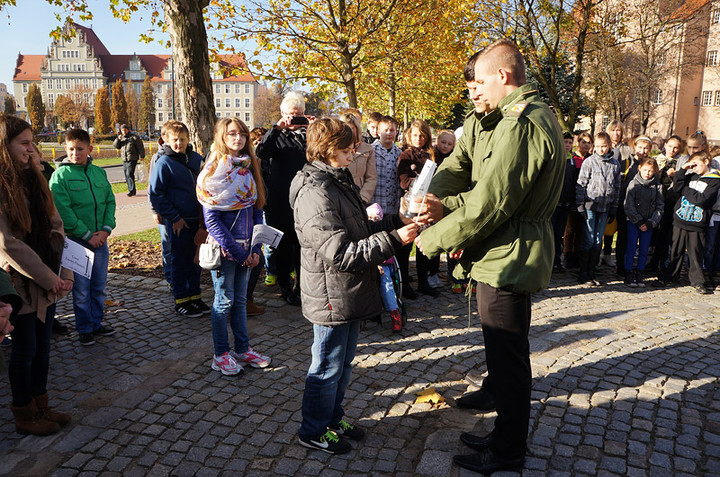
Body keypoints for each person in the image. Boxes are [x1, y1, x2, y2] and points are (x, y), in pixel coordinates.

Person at [416, 40, 565, 474]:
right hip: (502, 251)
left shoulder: (521, 123)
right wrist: (436, 200)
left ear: (502, 76)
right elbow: (466, 172)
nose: (474, 91)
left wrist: (431, 241)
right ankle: (503, 436)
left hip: (510, 253)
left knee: (509, 359)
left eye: (479, 82)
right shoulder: (513, 117)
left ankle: (507, 451)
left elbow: (492, 202)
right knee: (504, 355)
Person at [290, 118, 418, 454]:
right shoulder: (314, 193)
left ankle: (332, 418)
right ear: (329, 150)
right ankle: (313, 429)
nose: (354, 154)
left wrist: (394, 222)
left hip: (347, 290)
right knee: (327, 366)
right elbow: (340, 252)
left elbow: (359, 223)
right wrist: (394, 240)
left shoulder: (337, 179)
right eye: (348, 149)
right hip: (330, 293)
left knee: (342, 364)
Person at [0, 115, 74, 435]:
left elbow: (56, 225)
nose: (32, 150)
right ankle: (24, 414)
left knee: (43, 349)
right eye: (25, 144)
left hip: (48, 280)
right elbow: (7, 244)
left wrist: (66, 271)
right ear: (5, 147)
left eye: (33, 143)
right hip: (22, 283)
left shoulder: (37, 177)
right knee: (25, 350)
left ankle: (41, 405)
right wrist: (49, 277)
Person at [197, 117, 271, 375]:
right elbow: (212, 221)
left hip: (247, 249)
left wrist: (256, 248)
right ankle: (220, 354)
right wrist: (240, 253)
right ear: (221, 137)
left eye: (241, 134)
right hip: (225, 250)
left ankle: (242, 348)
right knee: (223, 302)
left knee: (240, 301)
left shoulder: (249, 168)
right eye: (231, 134)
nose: (237, 138)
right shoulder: (212, 173)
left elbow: (257, 209)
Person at [50, 128, 117, 346]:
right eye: (70, 149)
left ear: (89, 148)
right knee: (81, 290)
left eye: (80, 149)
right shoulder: (60, 176)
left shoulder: (99, 173)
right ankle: (85, 328)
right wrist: (88, 235)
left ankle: (96, 323)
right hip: (77, 243)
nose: (75, 153)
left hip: (101, 240)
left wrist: (106, 230)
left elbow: (109, 201)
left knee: (99, 287)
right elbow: (64, 212)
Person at [256, 91, 314, 306]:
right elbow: (262, 151)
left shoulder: (309, 135)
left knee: (303, 246)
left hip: (304, 200)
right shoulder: (276, 135)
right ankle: (285, 287)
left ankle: (302, 285)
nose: (295, 120)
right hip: (280, 201)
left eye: (299, 115)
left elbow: (323, 152)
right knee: (282, 246)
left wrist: (314, 128)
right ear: (282, 114)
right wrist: (278, 127)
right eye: (291, 115)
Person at [149, 120, 210, 317]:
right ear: (165, 140)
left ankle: (195, 296)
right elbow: (157, 194)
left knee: (195, 260)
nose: (179, 144)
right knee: (179, 261)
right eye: (175, 140)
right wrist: (174, 217)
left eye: (182, 139)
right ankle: (181, 299)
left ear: (188, 139)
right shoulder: (164, 163)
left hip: (197, 220)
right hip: (178, 222)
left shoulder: (194, 158)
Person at [661, 151, 720, 294]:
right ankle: (670, 276)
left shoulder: (714, 180)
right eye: (691, 165)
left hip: (697, 224)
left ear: (706, 162)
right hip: (681, 220)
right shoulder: (691, 176)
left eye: (696, 165)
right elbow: (676, 187)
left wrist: (685, 190)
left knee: (695, 254)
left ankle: (698, 281)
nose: (694, 168)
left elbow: (702, 200)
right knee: (675, 251)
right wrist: (683, 169)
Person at [397, 119, 439, 297]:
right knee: (406, 244)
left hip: (427, 203)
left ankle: (423, 282)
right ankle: (405, 283)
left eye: (422, 135)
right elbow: (404, 181)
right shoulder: (405, 155)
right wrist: (422, 179)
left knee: (425, 244)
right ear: (409, 136)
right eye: (415, 135)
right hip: (411, 204)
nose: (418, 139)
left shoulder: (431, 155)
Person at [576, 132, 622, 285]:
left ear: (609, 146)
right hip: (590, 205)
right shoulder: (589, 162)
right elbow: (581, 184)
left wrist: (614, 208)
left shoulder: (615, 164)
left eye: (603, 146)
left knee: (597, 240)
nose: (601, 149)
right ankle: (583, 272)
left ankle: (592, 270)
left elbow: (617, 187)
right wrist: (580, 204)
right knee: (588, 239)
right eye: (597, 146)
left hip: (605, 207)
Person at [613, 135, 651, 276]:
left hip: (643, 208)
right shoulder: (627, 162)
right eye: (640, 147)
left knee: (637, 239)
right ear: (634, 147)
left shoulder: (650, 164)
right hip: (625, 205)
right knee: (623, 237)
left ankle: (635, 266)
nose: (643, 150)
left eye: (646, 148)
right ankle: (621, 266)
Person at [623, 157, 663, 287]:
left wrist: (652, 222)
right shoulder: (633, 184)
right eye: (645, 170)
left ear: (655, 171)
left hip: (649, 223)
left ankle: (640, 273)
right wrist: (638, 221)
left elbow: (660, 206)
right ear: (640, 168)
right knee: (631, 248)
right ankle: (628, 273)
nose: (647, 173)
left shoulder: (657, 186)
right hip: (634, 222)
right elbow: (628, 205)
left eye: (650, 171)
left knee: (644, 249)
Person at [650, 135, 686, 272]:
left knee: (665, 233)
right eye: (670, 146)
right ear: (665, 145)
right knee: (654, 231)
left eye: (676, 147)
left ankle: (662, 261)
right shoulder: (657, 159)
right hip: (655, 199)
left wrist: (675, 176)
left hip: (670, 200)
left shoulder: (680, 162)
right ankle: (652, 260)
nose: (672, 149)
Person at [564, 131, 593, 269]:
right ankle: (568, 255)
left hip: (586, 199)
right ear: (578, 143)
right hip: (572, 197)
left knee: (581, 228)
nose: (586, 145)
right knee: (570, 229)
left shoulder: (591, 159)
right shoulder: (572, 158)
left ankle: (577, 254)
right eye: (583, 142)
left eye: (588, 143)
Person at [551, 132, 578, 273]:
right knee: (551, 234)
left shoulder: (572, 160)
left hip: (566, 204)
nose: (567, 145)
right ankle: (550, 262)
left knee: (559, 234)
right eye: (565, 142)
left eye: (569, 142)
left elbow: (573, 182)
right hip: (554, 204)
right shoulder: (555, 158)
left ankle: (557, 261)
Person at [340, 109, 378, 204]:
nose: (349, 131)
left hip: (360, 200)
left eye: (352, 128)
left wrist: (363, 198)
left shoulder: (367, 149)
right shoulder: (336, 150)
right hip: (340, 199)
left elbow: (371, 177)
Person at [113, 124, 146, 197]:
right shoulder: (122, 138)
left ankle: (132, 190)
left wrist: (142, 156)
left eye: (125, 130)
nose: (124, 131)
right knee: (126, 174)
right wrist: (118, 139)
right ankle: (130, 189)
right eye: (122, 130)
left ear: (128, 130)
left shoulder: (134, 138)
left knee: (129, 173)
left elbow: (140, 147)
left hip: (132, 158)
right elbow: (116, 146)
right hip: (124, 159)